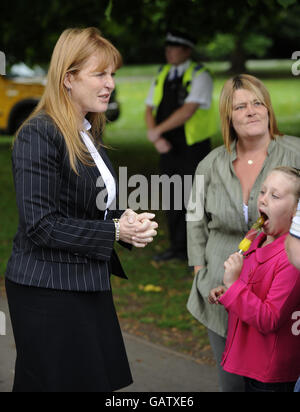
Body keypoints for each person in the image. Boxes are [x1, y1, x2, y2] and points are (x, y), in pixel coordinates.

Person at [5, 27, 158, 393]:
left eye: (113, 74)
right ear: (69, 78)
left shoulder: (86, 131)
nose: (110, 84)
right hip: (48, 290)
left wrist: (124, 220)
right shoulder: (38, 134)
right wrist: (114, 232)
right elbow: (40, 224)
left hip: (85, 283)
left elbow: (92, 204)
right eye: (100, 74)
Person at [186, 74, 300, 392]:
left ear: (268, 110)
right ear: (228, 116)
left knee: (277, 380)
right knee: (233, 384)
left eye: (257, 103)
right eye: (240, 106)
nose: (251, 111)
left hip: (282, 288)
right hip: (222, 288)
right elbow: (194, 219)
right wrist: (201, 271)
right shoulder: (209, 165)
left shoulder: (295, 154)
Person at [208, 167, 300, 392]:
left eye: (275, 196)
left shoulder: (292, 259)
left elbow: (269, 319)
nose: (264, 200)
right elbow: (250, 291)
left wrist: (234, 286)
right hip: (250, 361)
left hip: (271, 373)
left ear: (296, 211)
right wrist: (228, 292)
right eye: (262, 192)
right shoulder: (256, 239)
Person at [145, 30, 216, 262]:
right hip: (167, 146)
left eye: (174, 48)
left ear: (187, 50)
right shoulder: (162, 73)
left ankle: (197, 252)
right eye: (167, 47)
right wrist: (156, 137)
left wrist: (157, 131)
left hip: (192, 148)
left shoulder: (200, 75)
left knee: (194, 200)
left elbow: (188, 110)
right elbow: (148, 108)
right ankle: (177, 247)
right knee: (173, 197)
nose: (169, 52)